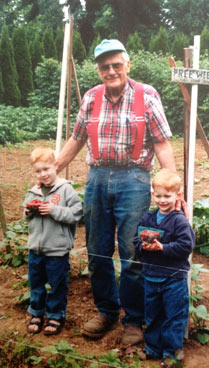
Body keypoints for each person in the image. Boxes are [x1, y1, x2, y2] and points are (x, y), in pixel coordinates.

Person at [56, 39, 180, 345]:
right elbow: (76, 139)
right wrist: (53, 168)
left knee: (133, 253)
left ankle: (133, 320)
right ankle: (106, 311)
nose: (110, 71)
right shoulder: (91, 97)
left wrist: (176, 188)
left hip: (134, 180)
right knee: (97, 252)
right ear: (98, 70)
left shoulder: (147, 95)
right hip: (97, 179)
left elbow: (162, 143)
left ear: (127, 65)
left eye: (116, 65)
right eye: (104, 67)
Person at [134, 169, 195, 367]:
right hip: (151, 276)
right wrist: (142, 246)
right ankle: (153, 349)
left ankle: (171, 353)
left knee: (174, 317)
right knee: (152, 315)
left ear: (177, 196)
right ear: (153, 195)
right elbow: (136, 239)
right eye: (158, 196)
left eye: (167, 196)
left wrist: (164, 247)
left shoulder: (179, 221)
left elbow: (187, 246)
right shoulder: (147, 219)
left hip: (173, 278)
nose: (162, 200)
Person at [23, 146, 82, 335]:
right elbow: (26, 217)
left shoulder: (66, 190)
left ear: (56, 165)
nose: (43, 174)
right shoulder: (34, 191)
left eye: (46, 169)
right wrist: (27, 212)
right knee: (36, 283)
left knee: (57, 284)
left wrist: (53, 210)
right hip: (36, 248)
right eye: (38, 171)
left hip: (57, 248)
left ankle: (55, 315)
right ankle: (37, 312)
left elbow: (76, 214)